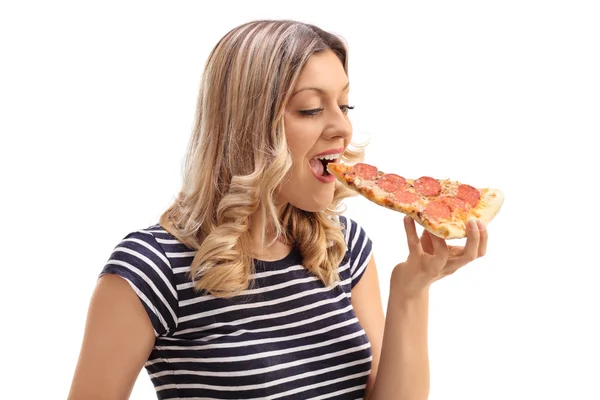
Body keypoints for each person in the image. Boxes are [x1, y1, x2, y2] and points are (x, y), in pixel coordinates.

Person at [67, 19, 488, 400]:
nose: (342, 127)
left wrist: (412, 289)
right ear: (250, 124)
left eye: (345, 105)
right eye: (310, 108)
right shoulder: (152, 269)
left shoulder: (345, 246)